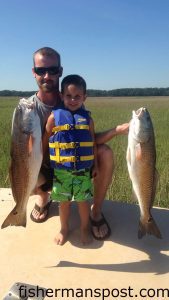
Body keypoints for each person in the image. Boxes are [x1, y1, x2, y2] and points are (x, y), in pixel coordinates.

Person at [29, 46, 129, 240]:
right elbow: (36, 144)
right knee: (28, 166)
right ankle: (44, 199)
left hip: (79, 165)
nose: (47, 75)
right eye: (41, 70)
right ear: (34, 72)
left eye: (52, 70)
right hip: (50, 164)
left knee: (104, 155)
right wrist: (37, 168)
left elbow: (90, 140)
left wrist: (116, 132)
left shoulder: (78, 108)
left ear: (60, 71)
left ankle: (95, 212)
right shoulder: (29, 108)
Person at [43, 74, 97, 245]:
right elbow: (47, 139)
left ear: (84, 97)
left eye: (77, 96)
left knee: (83, 202)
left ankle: (84, 228)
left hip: (82, 171)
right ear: (61, 96)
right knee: (63, 203)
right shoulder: (54, 117)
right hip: (61, 171)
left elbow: (93, 142)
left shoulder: (88, 119)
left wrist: (95, 165)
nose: (73, 100)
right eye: (68, 96)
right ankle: (64, 228)